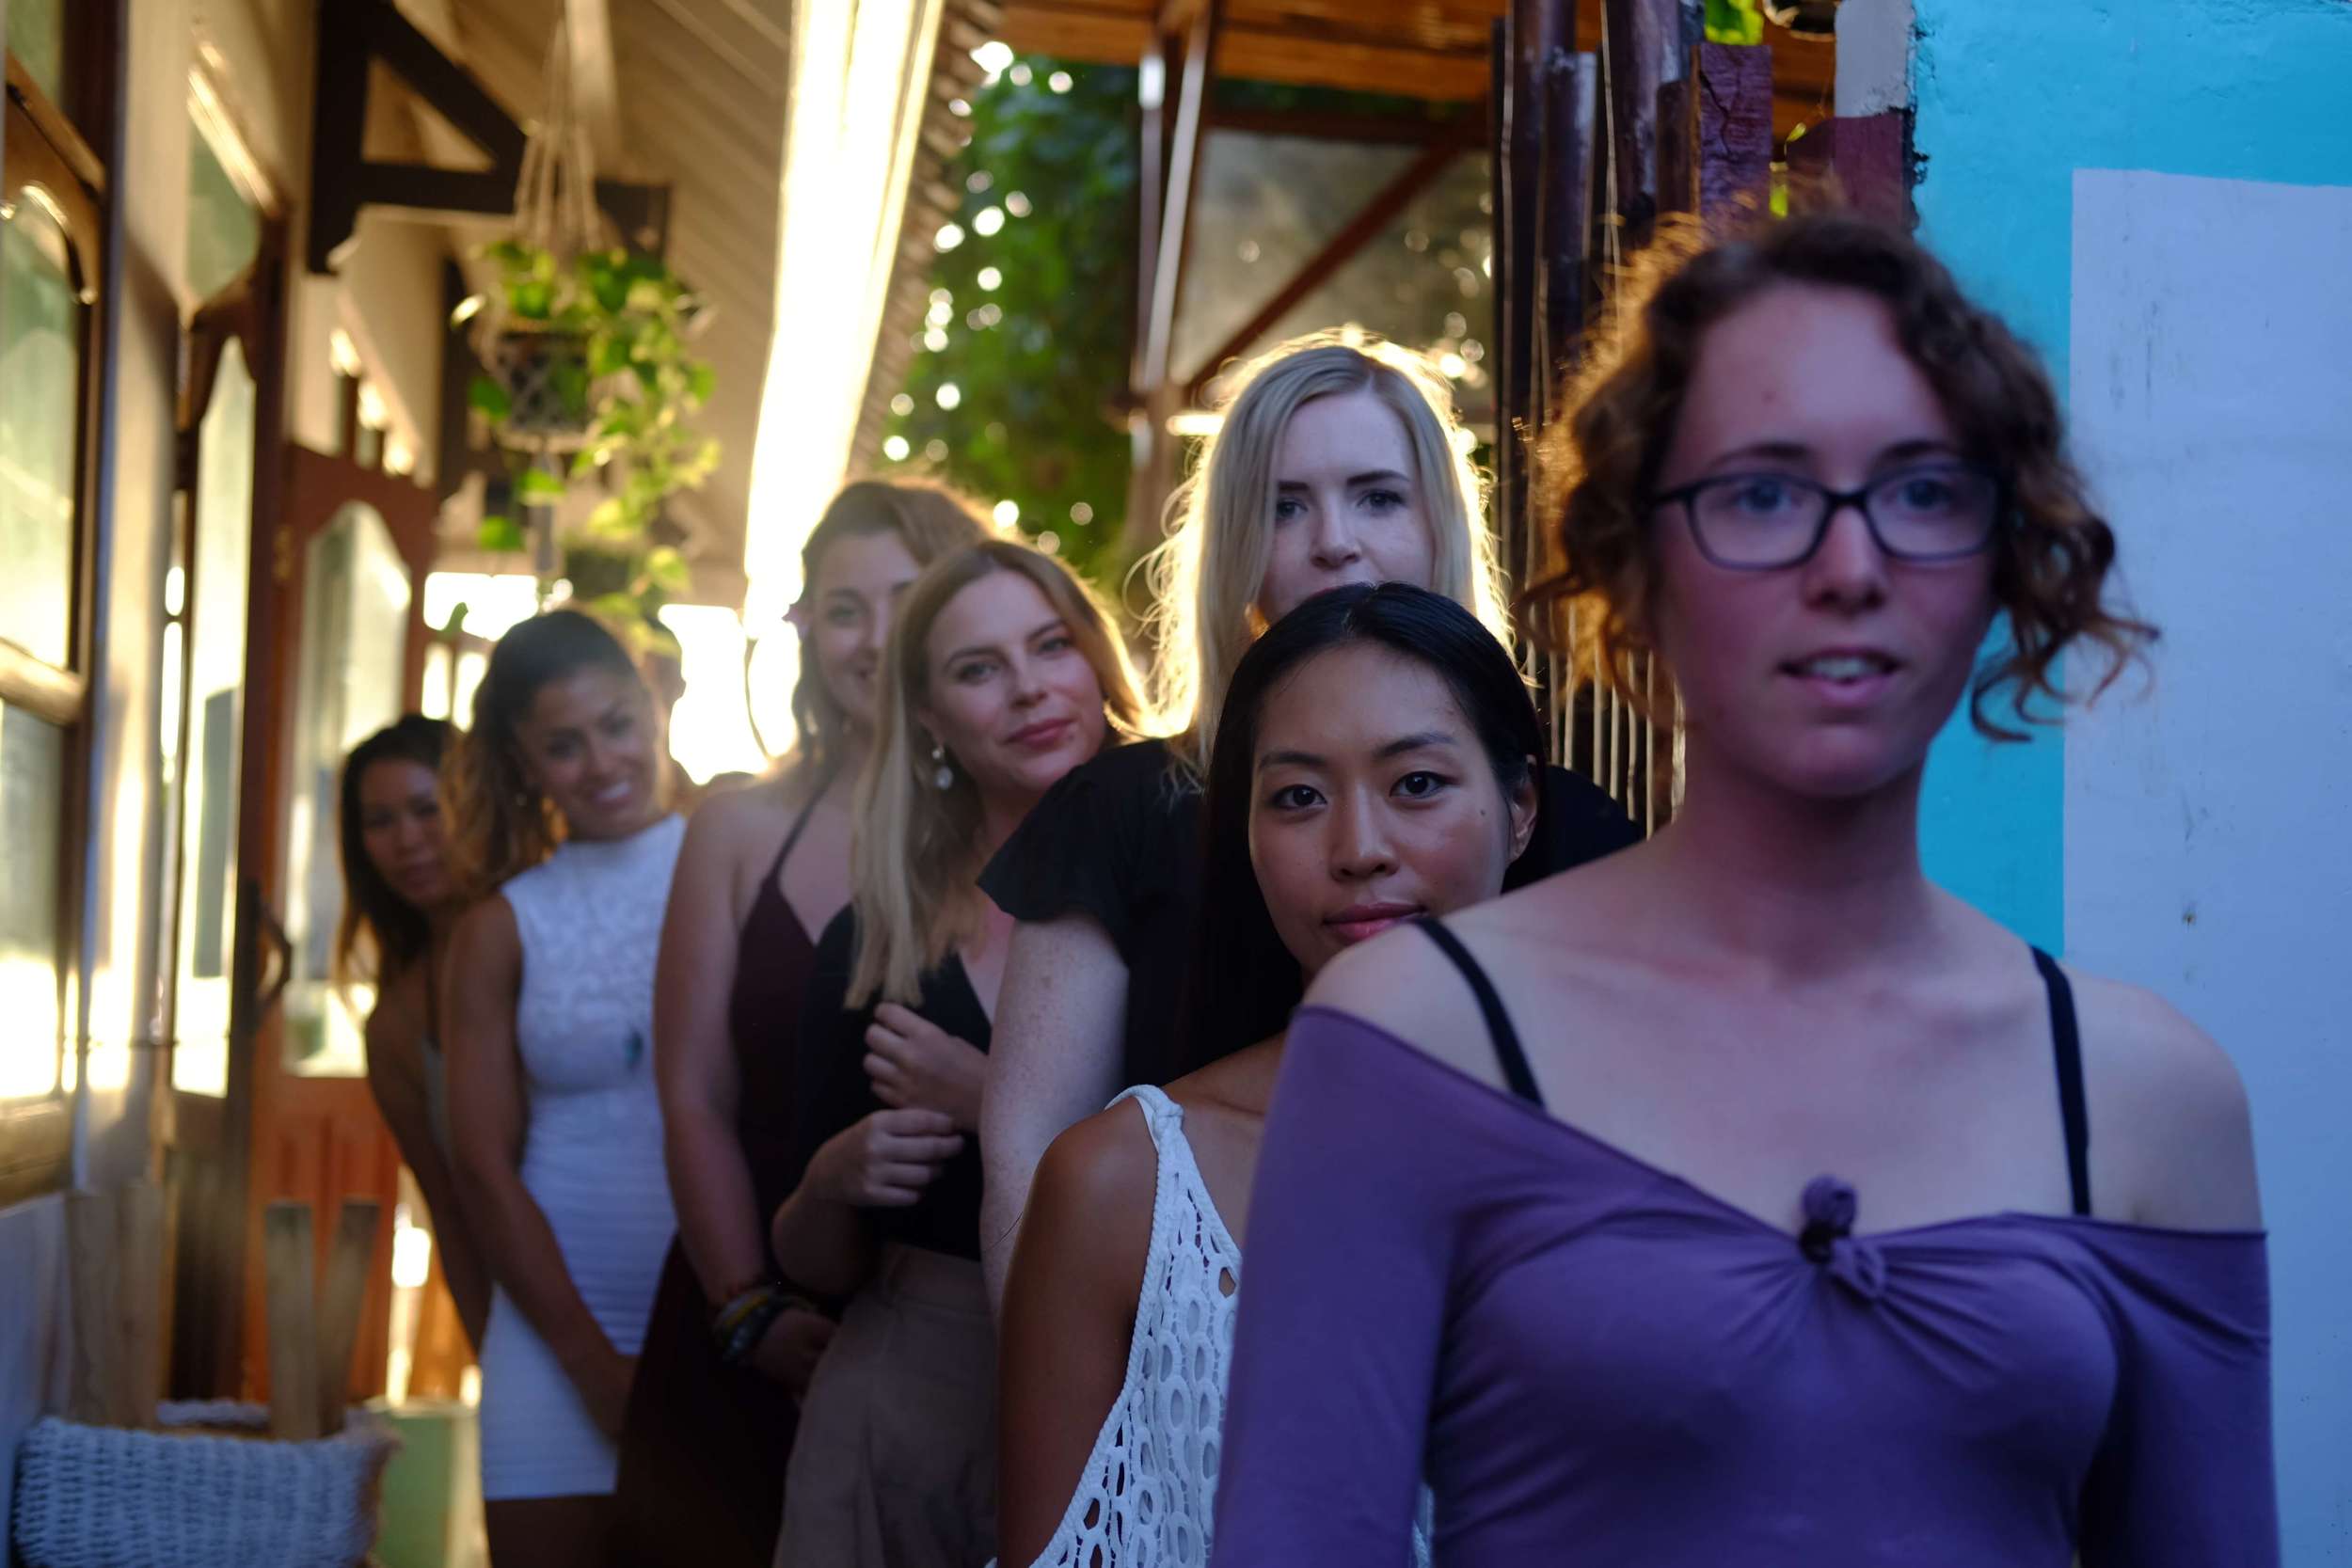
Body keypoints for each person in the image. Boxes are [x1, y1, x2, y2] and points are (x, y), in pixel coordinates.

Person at [1208, 214, 2273, 1565]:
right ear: (1633, 571)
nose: (1849, 567)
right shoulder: (1416, 1035)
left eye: (1924, 490)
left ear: (2001, 561)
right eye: (1761, 492)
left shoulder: (2146, 1095)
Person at [977, 330, 1640, 1306]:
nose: (1333, 538)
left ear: (1438, 522)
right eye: (1284, 505)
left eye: (1375, 494)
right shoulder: (1112, 813)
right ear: (1234, 544)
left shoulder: (1571, 827)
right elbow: (1027, 1166)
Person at [996, 584, 1537, 1567]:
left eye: (1416, 782)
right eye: (1298, 796)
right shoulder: (1127, 1184)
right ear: (1243, 836)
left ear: (1520, 807)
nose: (1360, 848)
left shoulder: (1656, 1144)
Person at [615, 481, 991, 1568]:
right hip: (744, 1316)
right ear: (804, 630)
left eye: (906, 597)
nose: (874, 637)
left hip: (963, 1337)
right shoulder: (737, 822)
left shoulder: (1024, 818)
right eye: (841, 607)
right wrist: (748, 1311)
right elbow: (692, 1092)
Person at [770, 540, 1147, 1568]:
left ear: (1097, 662)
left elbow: (1232, 1171)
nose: (1029, 688)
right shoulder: (876, 939)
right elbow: (810, 1260)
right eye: (978, 668)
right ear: (929, 719)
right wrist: (830, 1180)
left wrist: (994, 1099)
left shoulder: (1199, 889)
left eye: (1049, 646)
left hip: (1140, 1381)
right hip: (907, 1393)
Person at [442, 610, 689, 1568]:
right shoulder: (502, 926)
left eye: (618, 723)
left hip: (716, 1325)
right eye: (563, 744)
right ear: (522, 762)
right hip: (553, 1336)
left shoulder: (736, 866)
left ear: (657, 705)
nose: (601, 761)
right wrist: (589, 1363)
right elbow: (480, 1165)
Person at [336, 714, 491, 1353]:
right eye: (380, 821)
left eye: (428, 809)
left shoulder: (554, 936)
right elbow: (451, 1216)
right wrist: (493, 1354)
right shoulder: (397, 1024)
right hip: (519, 1316)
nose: (407, 840)